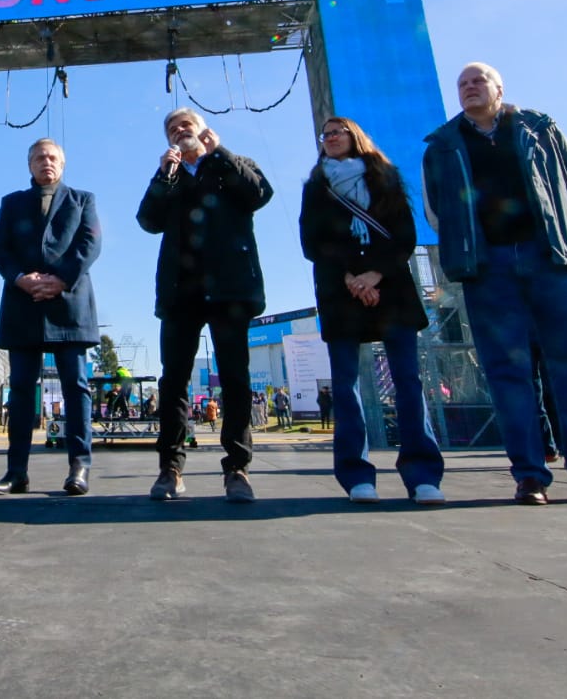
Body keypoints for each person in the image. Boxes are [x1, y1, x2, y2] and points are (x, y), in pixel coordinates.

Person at [422, 62, 567, 506]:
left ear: (499, 88)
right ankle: (530, 475)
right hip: (488, 266)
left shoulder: (540, 128)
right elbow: (436, 211)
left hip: (548, 260)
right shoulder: (442, 145)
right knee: (506, 372)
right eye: (462, 84)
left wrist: (557, 239)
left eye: (478, 80)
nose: (469, 88)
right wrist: (468, 248)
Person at [301, 117, 444, 506]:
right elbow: (312, 241)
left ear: (355, 136)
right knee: (346, 387)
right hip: (340, 289)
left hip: (390, 288)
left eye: (337, 132)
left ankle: (422, 475)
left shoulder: (387, 177)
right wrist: (350, 276)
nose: (330, 138)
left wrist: (374, 274)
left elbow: (404, 235)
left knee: (408, 381)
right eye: (325, 134)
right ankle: (356, 474)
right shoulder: (316, 187)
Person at [138, 107, 272, 502]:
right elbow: (147, 220)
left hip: (230, 289)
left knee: (235, 379)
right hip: (182, 293)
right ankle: (171, 469)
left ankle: (237, 469)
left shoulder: (233, 164)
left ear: (203, 131)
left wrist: (221, 154)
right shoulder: (170, 177)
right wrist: (164, 176)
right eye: (172, 129)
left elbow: (259, 194)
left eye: (187, 126)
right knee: (173, 380)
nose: (180, 131)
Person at [0, 138, 102, 497]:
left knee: (76, 388)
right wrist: (20, 278)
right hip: (23, 304)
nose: (45, 162)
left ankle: (79, 467)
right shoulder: (12, 202)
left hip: (69, 304)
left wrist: (61, 279)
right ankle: (16, 471)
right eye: (38, 158)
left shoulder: (83, 199)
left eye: (52, 157)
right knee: (19, 391)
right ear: (29, 164)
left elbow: (90, 243)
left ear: (62, 164)